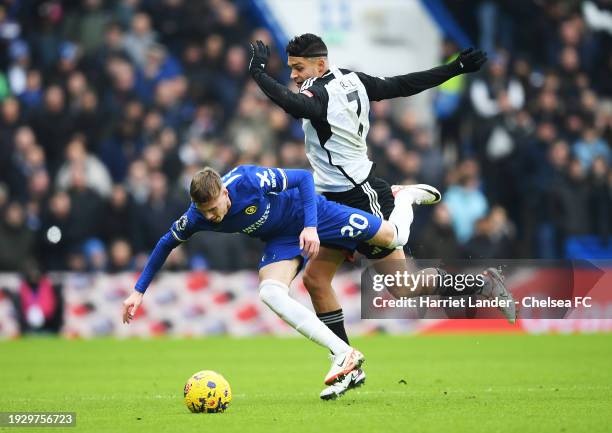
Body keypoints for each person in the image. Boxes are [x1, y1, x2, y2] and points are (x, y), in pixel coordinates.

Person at [248, 34, 514, 399]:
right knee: (316, 280)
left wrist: (259, 74)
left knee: (401, 287)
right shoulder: (353, 80)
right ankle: (345, 362)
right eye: (291, 67)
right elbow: (402, 85)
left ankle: (476, 278)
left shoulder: (320, 94)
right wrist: (454, 69)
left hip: (360, 198)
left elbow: (296, 106)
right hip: (333, 200)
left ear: (320, 65)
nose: (294, 74)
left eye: (298, 67)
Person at [122, 165, 438, 397]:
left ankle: (405, 197)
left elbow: (302, 178)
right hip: (280, 240)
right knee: (270, 292)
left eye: (214, 208)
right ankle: (343, 354)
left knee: (395, 236)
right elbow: (166, 242)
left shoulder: (247, 179)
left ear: (224, 192)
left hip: (311, 216)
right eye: (204, 212)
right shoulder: (196, 215)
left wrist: (311, 227)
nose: (210, 218)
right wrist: (138, 292)